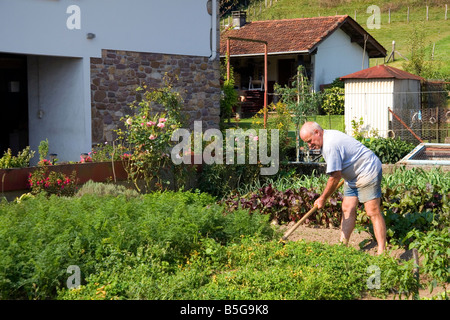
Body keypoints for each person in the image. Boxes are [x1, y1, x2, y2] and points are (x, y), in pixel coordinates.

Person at [299, 121, 386, 254]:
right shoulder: (326, 138)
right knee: (347, 208)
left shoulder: (330, 144)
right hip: (351, 175)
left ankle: (382, 251)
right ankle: (342, 246)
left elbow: (335, 177)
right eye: (307, 142)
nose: (309, 145)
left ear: (317, 132)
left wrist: (323, 198)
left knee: (372, 211)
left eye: (310, 141)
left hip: (367, 170)